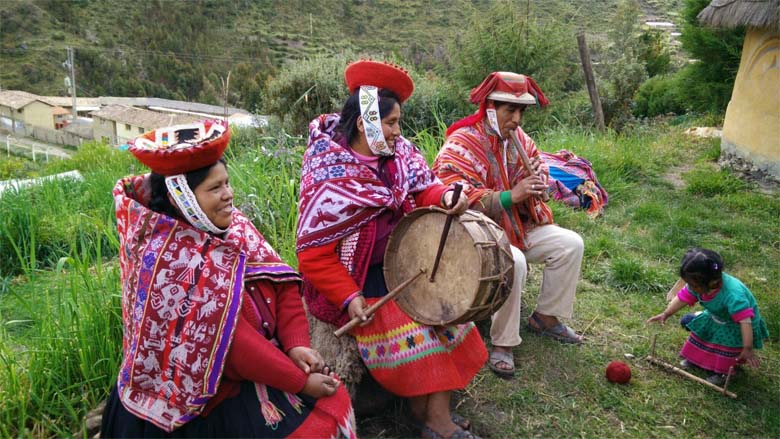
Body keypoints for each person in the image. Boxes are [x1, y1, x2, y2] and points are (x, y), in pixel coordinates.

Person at [101, 120, 356, 438]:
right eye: (214, 188)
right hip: (206, 400)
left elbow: (282, 285)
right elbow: (230, 344)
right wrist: (300, 381)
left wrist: (296, 345)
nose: (229, 195)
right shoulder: (170, 261)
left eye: (227, 183)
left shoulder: (234, 229)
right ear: (183, 197)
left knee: (334, 402)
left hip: (266, 364)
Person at [296, 60, 487, 439]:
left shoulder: (399, 155)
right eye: (390, 122)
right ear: (366, 121)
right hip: (358, 278)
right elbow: (313, 254)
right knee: (417, 330)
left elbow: (423, 187)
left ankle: (430, 415)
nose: (398, 132)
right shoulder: (327, 170)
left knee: (449, 316)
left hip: (401, 266)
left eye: (398, 122)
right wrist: (348, 297)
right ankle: (435, 421)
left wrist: (446, 194)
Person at [433, 71, 585, 380]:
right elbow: (451, 193)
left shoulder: (521, 140)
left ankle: (545, 317)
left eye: (521, 111)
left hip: (516, 226)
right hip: (475, 235)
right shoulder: (461, 142)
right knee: (513, 261)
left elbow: (537, 167)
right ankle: (503, 342)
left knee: (571, 244)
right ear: (490, 108)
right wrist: (509, 196)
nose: (516, 119)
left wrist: (539, 182)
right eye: (509, 110)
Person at [647, 248, 769, 385]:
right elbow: (683, 297)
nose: (690, 287)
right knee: (701, 334)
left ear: (712, 282)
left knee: (725, 346)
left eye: (693, 285)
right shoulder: (698, 284)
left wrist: (747, 348)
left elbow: (745, 322)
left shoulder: (733, 295)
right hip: (717, 317)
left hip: (736, 326)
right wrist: (666, 313)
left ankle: (722, 372)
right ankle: (695, 359)